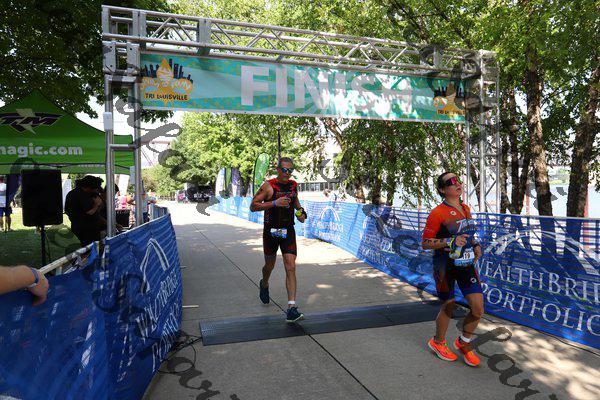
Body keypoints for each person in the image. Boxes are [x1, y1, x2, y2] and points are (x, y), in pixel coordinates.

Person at [422, 171, 483, 367]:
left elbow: (468, 234)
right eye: (452, 182)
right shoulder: (437, 213)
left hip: (466, 264)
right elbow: (425, 243)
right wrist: (450, 241)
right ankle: (438, 342)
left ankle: (464, 342)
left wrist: (475, 244)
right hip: (444, 266)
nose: (458, 184)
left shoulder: (465, 208)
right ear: (442, 189)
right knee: (448, 305)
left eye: (459, 180)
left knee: (478, 309)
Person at [250, 157, 307, 323]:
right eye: (284, 170)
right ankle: (264, 283)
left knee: (290, 266)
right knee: (269, 265)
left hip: (288, 231)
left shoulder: (293, 185)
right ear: (278, 170)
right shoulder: (268, 186)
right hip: (271, 232)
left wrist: (301, 213)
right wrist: (274, 203)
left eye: (290, 170)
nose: (287, 173)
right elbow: (253, 206)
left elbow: (296, 203)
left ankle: (291, 308)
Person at [64, 176, 104, 246]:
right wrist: (96, 204)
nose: (96, 191)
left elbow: (97, 211)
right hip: (83, 230)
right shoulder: (78, 195)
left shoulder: (87, 193)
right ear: (88, 187)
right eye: (95, 189)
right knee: (85, 249)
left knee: (95, 248)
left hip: (91, 228)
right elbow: (89, 212)